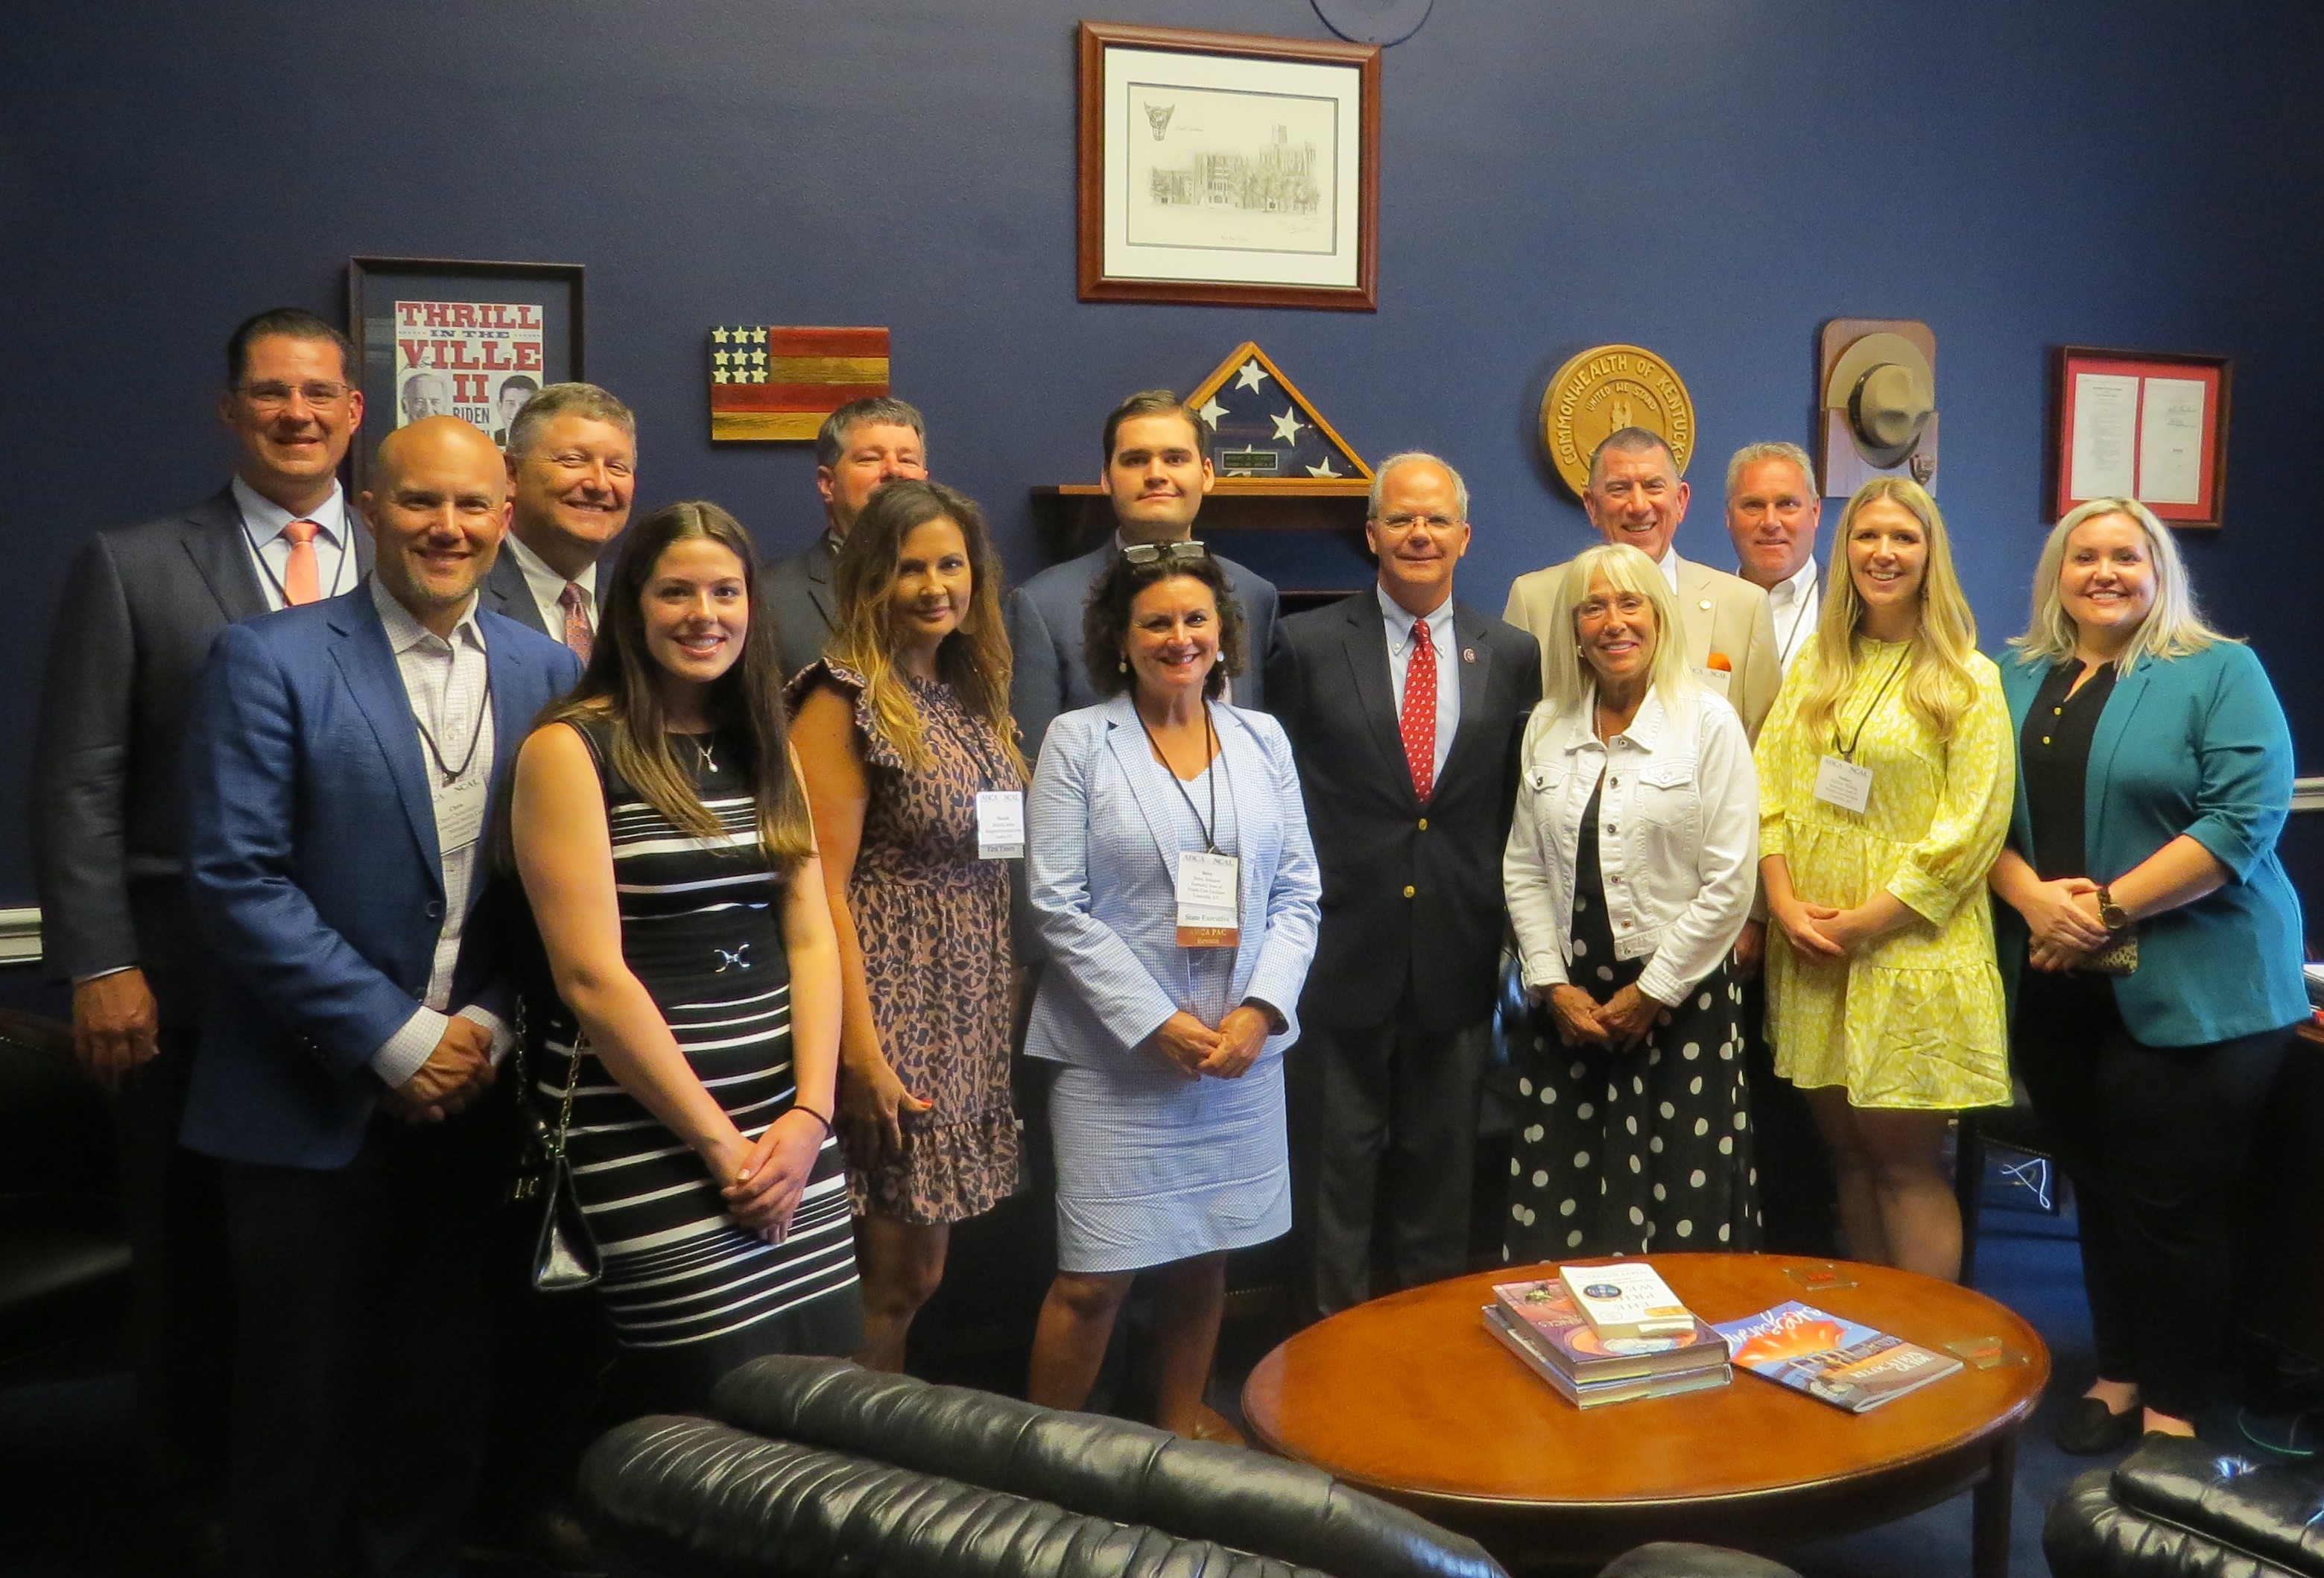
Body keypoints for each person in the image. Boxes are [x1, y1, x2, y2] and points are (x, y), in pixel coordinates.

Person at [179, 416, 582, 1578]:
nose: (445, 528)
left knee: (439, 1385)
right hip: (305, 1105)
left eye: (471, 507)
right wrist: (396, 1039)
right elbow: (235, 877)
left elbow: (546, 893)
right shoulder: (269, 658)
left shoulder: (546, 670)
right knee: (301, 1403)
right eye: (418, 503)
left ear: (505, 518)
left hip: (475, 1098)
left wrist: (487, 1027)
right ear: (367, 507)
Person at [31, 305, 370, 1562]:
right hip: (184, 982)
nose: (297, 414)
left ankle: (335, 1486)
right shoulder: (134, 562)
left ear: (354, 412)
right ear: (228, 411)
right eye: (270, 393)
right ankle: (202, 1502)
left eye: (319, 393)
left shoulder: (412, 551)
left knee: (345, 1259)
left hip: (372, 982)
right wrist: (103, 961)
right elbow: (77, 777)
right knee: (194, 1259)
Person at [509, 498, 862, 1414]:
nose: (703, 614)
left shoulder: (764, 740)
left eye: (724, 591)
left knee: (825, 1403)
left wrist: (812, 1117)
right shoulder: (570, 747)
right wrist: (723, 1149)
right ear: (631, 606)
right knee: (712, 1418)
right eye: (675, 592)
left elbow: (810, 932)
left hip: (791, 1133)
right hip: (652, 1135)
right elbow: (589, 976)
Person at [1988, 498, 2306, 1451]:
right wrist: (2036, 903)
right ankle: (2117, 1372)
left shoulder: (2218, 671)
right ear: (2056, 574)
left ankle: (2173, 1408)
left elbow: (2238, 822)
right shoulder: (2012, 677)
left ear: (2158, 570)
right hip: (2054, 977)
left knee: (2171, 1201)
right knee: (2096, 1183)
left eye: (2126, 556)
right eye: (2082, 556)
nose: (2103, 573)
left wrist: (2100, 909)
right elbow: (1967, 817)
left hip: (2202, 983)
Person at [1022, 548, 1318, 1441]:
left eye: (1194, 621)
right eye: (1155, 622)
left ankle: (1181, 1421)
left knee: (1205, 1257)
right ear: (1119, 640)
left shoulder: (1263, 739)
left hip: (1238, 1055)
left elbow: (1298, 891)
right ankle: (1041, 1464)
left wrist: (1259, 1013)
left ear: (1222, 635)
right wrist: (1155, 1021)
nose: (1177, 638)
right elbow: (1054, 903)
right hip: (1115, 1060)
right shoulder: (1078, 741)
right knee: (1091, 1280)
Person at [1264, 452, 1539, 1314]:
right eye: (1400, 519)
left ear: (1464, 535)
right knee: (1332, 1185)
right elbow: (1276, 799)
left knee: (1440, 1181)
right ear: (1371, 532)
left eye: (1435, 521)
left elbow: (1511, 805)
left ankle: (1426, 1360)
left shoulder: (1512, 653)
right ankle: (1320, 1371)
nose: (1418, 534)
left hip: (1456, 955)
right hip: (1338, 952)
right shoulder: (1303, 646)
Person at [787, 480, 1025, 1372]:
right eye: (908, 568)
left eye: (950, 565)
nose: (934, 586)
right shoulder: (839, 697)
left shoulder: (968, 690)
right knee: (890, 1276)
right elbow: (820, 889)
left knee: (920, 1274)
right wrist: (859, 1052)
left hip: (962, 1005)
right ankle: (847, 1475)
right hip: (888, 1007)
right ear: (867, 582)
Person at [1754, 477, 2012, 1282]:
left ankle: (1927, 1359)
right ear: (1845, 552)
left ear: (1929, 555)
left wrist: (1864, 921)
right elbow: (1768, 790)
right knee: (1849, 1162)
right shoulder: (1816, 670)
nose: (1882, 553)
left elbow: (1968, 833)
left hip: (1909, 957)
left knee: (1903, 1166)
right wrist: (1782, 902)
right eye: (1866, 537)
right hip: (1810, 951)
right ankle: (1872, 1342)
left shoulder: (1967, 681)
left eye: (1902, 537)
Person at [1501, 543, 1759, 1259]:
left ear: (1659, 618)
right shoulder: (1547, 724)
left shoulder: (1708, 723)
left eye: (1629, 603)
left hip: (1679, 1004)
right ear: (1575, 628)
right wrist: (1551, 984)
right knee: (1566, 1204)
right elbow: (1522, 867)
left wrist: (1652, 991)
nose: (1612, 622)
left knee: (1679, 1200)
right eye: (1593, 607)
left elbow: (1730, 880)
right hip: (1571, 1009)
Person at [1007, 390, 1280, 761]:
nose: (1156, 475)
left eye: (1175, 458)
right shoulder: (1042, 607)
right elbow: (1034, 767)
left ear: (1206, 474)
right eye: (1136, 460)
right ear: (1106, 478)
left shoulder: (1254, 596)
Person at [1720, 440, 1837, 1257]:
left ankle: (1810, 1267)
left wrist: (1775, 907)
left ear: (1814, 514)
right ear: (1725, 517)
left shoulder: (1851, 617)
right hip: (1715, 900)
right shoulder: (1696, 610)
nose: (1770, 522)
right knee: (1738, 1111)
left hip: (1821, 901)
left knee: (1812, 1119)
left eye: (1786, 504)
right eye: (1753, 506)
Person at [1505, 428, 1781, 741]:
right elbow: (1516, 742)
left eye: (1653, 486)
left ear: (1681, 501)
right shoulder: (1534, 600)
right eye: (1619, 488)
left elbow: (1763, 746)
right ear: (1592, 505)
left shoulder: (1745, 607)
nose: (1638, 505)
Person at [765, 396, 928, 679]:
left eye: (907, 459)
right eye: (870, 458)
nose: (894, 470)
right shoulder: (769, 597)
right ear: (828, 483)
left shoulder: (961, 594)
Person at [481, 381, 637, 659]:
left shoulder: (640, 600)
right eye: (574, 460)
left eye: (616, 467)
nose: (600, 484)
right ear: (511, 474)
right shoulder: (467, 597)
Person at [491, 374, 539, 448]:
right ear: (500, 407)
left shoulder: (544, 441)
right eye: (511, 404)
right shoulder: (489, 440)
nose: (517, 412)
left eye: (524, 405)